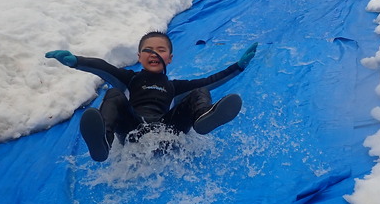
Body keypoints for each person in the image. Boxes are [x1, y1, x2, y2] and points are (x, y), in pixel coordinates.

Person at [45, 32, 258, 162]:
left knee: (200, 90)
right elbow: (104, 67)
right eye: (147, 50)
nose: (153, 53)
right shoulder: (128, 79)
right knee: (113, 93)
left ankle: (203, 119)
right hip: (133, 129)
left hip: (169, 131)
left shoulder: (175, 87)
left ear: (170, 57)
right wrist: (76, 61)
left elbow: (211, 80)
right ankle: (104, 141)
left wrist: (237, 67)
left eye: (160, 50)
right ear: (139, 57)